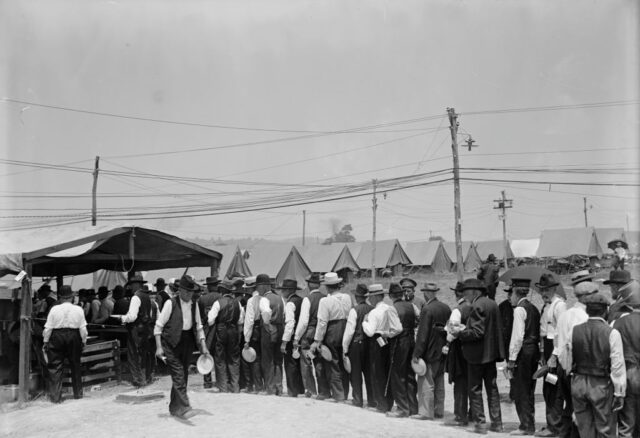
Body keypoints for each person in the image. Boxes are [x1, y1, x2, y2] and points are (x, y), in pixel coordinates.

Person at [450, 278, 504, 434]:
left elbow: (477, 332)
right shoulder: (492, 303)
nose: (464, 296)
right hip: (491, 354)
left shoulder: (476, 305)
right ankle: (497, 423)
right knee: (492, 389)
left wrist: (460, 332)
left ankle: (480, 424)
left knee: (475, 389)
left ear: (475, 291)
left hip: (477, 355)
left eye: (466, 292)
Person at [570, 290, 626, 438]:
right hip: (601, 384)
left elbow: (566, 359)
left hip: (578, 382)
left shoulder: (574, 331)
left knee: (585, 429)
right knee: (605, 429)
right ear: (605, 311)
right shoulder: (611, 333)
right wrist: (619, 393)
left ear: (587, 310)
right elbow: (617, 366)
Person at [154, 275, 209, 419]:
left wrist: (203, 345)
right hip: (170, 344)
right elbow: (158, 326)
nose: (189, 295)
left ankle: (174, 407)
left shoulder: (194, 304)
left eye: (191, 292)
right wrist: (159, 347)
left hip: (187, 342)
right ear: (180, 290)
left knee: (183, 375)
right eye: (186, 292)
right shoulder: (170, 304)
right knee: (178, 375)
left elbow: (199, 326)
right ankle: (184, 407)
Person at [548, 280, 597, 438]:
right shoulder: (583, 317)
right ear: (586, 297)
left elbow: (556, 339)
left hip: (563, 367)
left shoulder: (566, 314)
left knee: (569, 406)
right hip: (575, 369)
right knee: (580, 410)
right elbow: (579, 345)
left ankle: (564, 434)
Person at [412, 282, 451, 421]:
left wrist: (417, 353)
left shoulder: (427, 309)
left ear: (427, 293)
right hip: (442, 351)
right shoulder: (446, 308)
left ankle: (426, 412)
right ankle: (439, 410)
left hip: (429, 352)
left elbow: (423, 334)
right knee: (439, 382)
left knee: (426, 383)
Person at [534, 273, 567, 438]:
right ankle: (550, 423)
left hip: (555, 349)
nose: (544, 293)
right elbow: (543, 331)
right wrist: (542, 353)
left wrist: (553, 356)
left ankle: (555, 427)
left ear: (554, 289)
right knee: (547, 388)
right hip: (546, 347)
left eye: (547, 290)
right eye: (542, 290)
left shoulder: (559, 306)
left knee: (554, 388)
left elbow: (561, 333)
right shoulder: (546, 306)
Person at [507, 278, 541, 435]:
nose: (510, 297)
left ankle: (525, 425)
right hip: (533, 351)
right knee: (529, 389)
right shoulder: (533, 308)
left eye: (511, 292)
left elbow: (518, 336)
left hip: (523, 353)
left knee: (521, 389)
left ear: (515, 292)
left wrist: (512, 359)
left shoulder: (519, 309)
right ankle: (529, 422)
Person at [311, 272, 352, 401]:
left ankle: (338, 394)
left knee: (333, 363)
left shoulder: (325, 301)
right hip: (345, 327)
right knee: (344, 360)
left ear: (328, 287)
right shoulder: (347, 297)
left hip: (332, 330)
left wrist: (318, 339)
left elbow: (322, 322)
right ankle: (344, 392)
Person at [362, 284, 402, 413]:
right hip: (388, 339)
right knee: (387, 371)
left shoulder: (373, 313)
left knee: (377, 373)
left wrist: (364, 322)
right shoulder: (389, 308)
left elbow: (370, 331)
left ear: (374, 297)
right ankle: (389, 401)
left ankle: (381, 403)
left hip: (377, 340)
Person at [43, 285, 87, 403]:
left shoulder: (54, 309)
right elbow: (83, 329)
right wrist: (83, 341)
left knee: (55, 367)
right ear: (72, 297)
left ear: (60, 297)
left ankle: (56, 398)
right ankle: (78, 394)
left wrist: (45, 341)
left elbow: (48, 328)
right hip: (74, 336)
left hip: (57, 337)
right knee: (75, 365)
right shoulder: (78, 309)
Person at [116, 274, 158, 387]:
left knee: (134, 355)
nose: (130, 287)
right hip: (146, 330)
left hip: (135, 330)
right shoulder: (147, 297)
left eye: (132, 285)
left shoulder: (136, 297)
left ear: (136, 285)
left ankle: (139, 380)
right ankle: (147, 377)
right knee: (144, 354)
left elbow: (132, 316)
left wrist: (122, 318)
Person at [385, 282, 419, 418]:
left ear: (390, 295)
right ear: (402, 294)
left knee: (398, 375)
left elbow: (397, 329)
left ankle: (402, 408)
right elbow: (418, 318)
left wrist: (386, 334)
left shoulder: (392, 309)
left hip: (399, 343)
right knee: (410, 374)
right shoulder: (412, 306)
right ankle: (413, 407)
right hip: (411, 341)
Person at [612, 280, 640, 438]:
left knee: (626, 426)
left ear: (627, 303)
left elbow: (613, 353)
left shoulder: (619, 323)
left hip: (628, 376)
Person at [293, 273, 327, 399]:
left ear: (309, 284)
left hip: (309, 333)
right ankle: (323, 390)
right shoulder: (325, 297)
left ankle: (311, 390)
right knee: (319, 361)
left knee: (306, 362)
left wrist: (297, 337)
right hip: (322, 333)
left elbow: (303, 321)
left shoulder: (307, 299)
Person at [444, 281, 472, 427]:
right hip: (472, 349)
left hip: (459, 349)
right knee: (471, 383)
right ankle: (472, 413)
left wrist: (447, 339)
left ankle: (460, 416)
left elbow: (452, 332)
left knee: (460, 383)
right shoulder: (473, 306)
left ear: (456, 294)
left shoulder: (457, 310)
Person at [342, 283, 374, 408]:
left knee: (355, 374)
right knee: (369, 373)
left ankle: (358, 399)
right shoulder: (372, 309)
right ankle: (372, 399)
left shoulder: (354, 310)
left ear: (356, 296)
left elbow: (350, 331)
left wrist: (345, 348)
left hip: (356, 344)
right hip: (369, 344)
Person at [207, 280, 243, 393]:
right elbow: (241, 321)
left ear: (222, 291)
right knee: (234, 359)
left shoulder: (218, 303)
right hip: (233, 330)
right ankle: (235, 386)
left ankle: (223, 387)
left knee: (220, 358)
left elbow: (210, 320)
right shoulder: (238, 303)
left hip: (221, 330)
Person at [255, 273, 285, 395]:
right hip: (280, 329)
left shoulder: (264, 299)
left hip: (269, 330)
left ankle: (270, 388)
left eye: (258, 286)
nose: (257, 289)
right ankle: (279, 387)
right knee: (278, 360)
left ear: (263, 286)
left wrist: (266, 323)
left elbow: (266, 311)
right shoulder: (280, 298)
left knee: (268, 360)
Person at [279, 279, 305, 397]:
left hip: (291, 337)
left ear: (289, 290)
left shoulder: (290, 303)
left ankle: (292, 390)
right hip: (300, 336)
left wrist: (284, 341)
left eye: (283, 290)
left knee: (290, 365)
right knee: (298, 363)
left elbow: (290, 324)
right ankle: (300, 389)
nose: (282, 292)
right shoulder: (302, 300)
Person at [242, 276, 265, 394]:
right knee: (265, 358)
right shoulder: (266, 297)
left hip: (255, 330)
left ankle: (258, 386)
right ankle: (267, 384)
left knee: (255, 359)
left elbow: (249, 321)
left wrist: (246, 338)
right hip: (265, 329)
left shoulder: (252, 301)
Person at [197, 276, 220, 389]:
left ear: (208, 286)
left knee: (206, 353)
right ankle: (220, 379)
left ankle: (207, 381)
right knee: (219, 354)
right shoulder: (220, 297)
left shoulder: (202, 299)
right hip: (218, 328)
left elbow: (201, 316)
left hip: (206, 329)